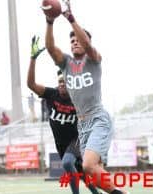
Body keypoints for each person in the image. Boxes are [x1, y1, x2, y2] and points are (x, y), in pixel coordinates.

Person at [44, 1, 128, 193]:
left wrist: (71, 19)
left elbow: (88, 45)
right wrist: (50, 21)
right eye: (71, 40)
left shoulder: (93, 60)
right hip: (82, 126)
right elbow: (50, 48)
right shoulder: (66, 64)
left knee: (89, 166)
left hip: (98, 118)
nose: (74, 41)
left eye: (77, 39)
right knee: (91, 172)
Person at [27, 35, 101, 194]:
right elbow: (31, 85)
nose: (62, 85)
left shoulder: (78, 97)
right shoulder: (52, 94)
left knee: (68, 163)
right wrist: (33, 58)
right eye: (60, 82)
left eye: (65, 82)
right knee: (80, 173)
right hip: (61, 143)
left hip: (78, 138)